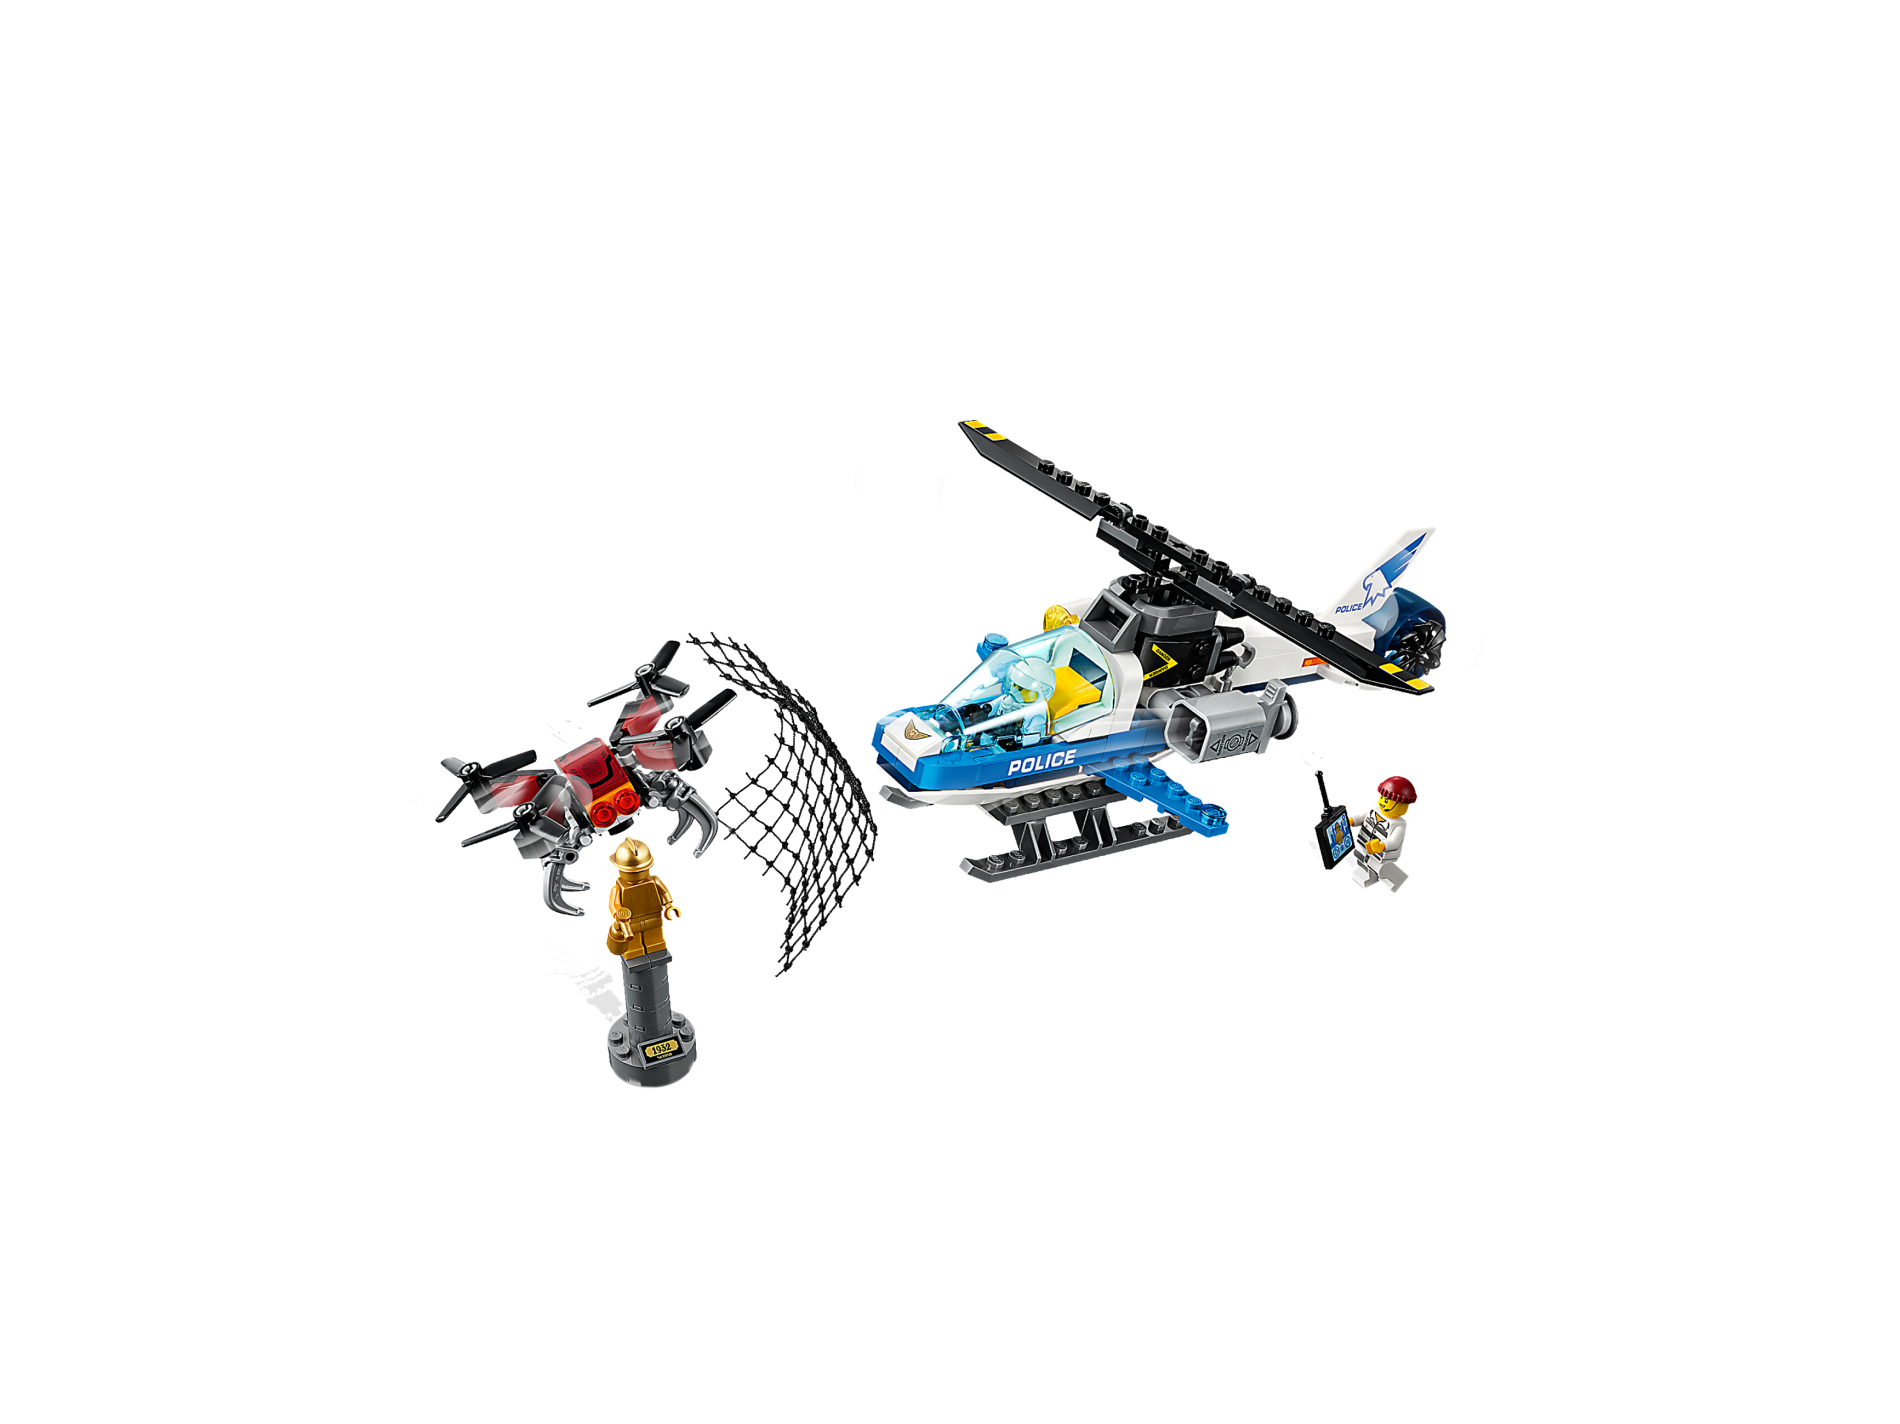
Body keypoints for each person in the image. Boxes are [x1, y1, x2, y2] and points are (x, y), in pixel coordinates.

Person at [1349, 775, 1416, 892]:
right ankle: (1364, 873)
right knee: (1360, 856)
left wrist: (1381, 846)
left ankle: (1386, 879)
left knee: (1376, 865)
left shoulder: (1398, 825)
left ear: (1403, 805)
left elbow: (1394, 842)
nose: (1383, 802)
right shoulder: (1373, 811)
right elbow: (1361, 818)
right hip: (1363, 844)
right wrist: (1350, 821)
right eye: (1382, 798)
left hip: (1379, 853)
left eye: (1387, 800)